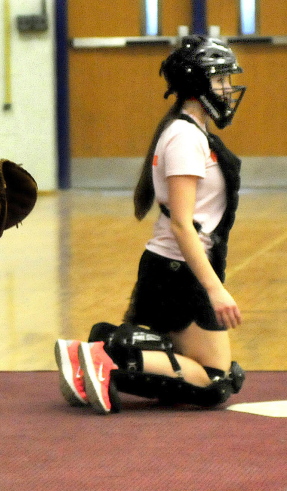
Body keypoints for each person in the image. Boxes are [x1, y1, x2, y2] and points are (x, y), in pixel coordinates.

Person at [55, 35, 246, 414]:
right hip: (178, 273)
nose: (228, 88)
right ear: (197, 84)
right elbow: (181, 225)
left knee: (218, 375)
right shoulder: (185, 138)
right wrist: (215, 290)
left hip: (173, 269)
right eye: (221, 79)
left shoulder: (191, 131)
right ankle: (106, 356)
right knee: (214, 383)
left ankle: (101, 347)